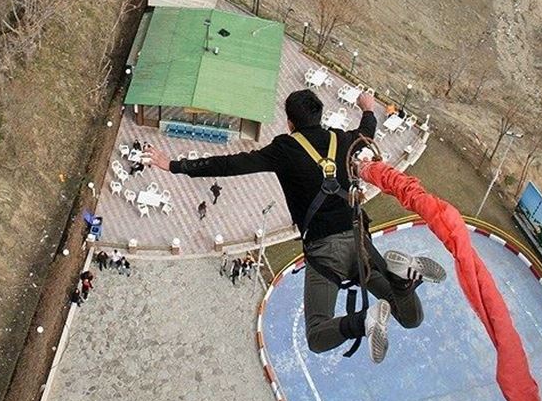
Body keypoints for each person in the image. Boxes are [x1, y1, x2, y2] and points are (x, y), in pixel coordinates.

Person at [147, 89, 444, 363]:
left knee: (317, 336)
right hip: (359, 242)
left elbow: (230, 165)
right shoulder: (341, 140)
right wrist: (367, 108)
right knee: (411, 318)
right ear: (320, 115)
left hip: (324, 251)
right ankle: (401, 280)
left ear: (290, 122)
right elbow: (366, 134)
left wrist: (174, 165)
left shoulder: (284, 149)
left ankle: (363, 320)